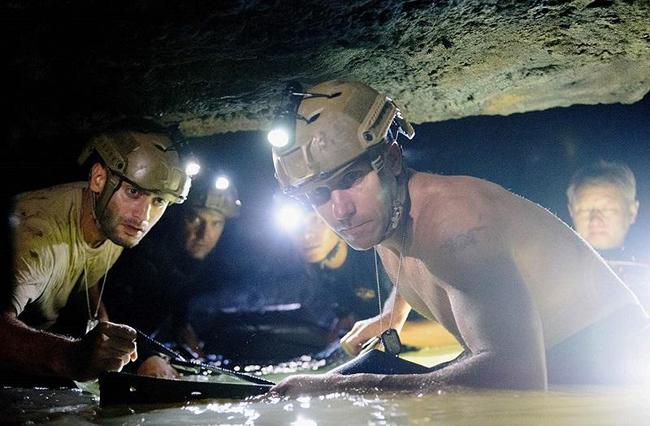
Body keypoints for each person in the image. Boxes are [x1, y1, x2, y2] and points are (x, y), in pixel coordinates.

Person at [267, 80, 649, 396]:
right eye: (318, 194)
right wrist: (392, 314)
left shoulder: (457, 223)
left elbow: (517, 377)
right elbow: (421, 257)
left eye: (350, 179)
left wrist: (341, 388)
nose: (340, 210)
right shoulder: (385, 215)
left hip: (609, 368)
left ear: (394, 160)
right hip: (546, 362)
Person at [1, 120, 191, 384]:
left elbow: (84, 268)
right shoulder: (36, 235)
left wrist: (107, 331)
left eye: (158, 200)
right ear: (99, 178)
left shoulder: (114, 221)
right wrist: (70, 357)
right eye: (134, 191)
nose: (143, 216)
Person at [104, 173, 241, 378]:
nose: (204, 234)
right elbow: (112, 320)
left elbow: (180, 320)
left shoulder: (199, 263)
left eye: (216, 223)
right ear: (177, 216)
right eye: (195, 219)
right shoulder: (143, 255)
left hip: (141, 344)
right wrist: (148, 358)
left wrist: (198, 356)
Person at [285, 208, 392, 341]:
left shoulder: (378, 257)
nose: (306, 236)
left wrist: (373, 335)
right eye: (297, 227)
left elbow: (422, 324)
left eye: (318, 222)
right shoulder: (317, 269)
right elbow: (348, 317)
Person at [567, 160, 650, 309]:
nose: (595, 220)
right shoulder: (553, 270)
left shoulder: (644, 270)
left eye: (608, 209)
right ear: (571, 211)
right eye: (584, 210)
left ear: (632, 211)